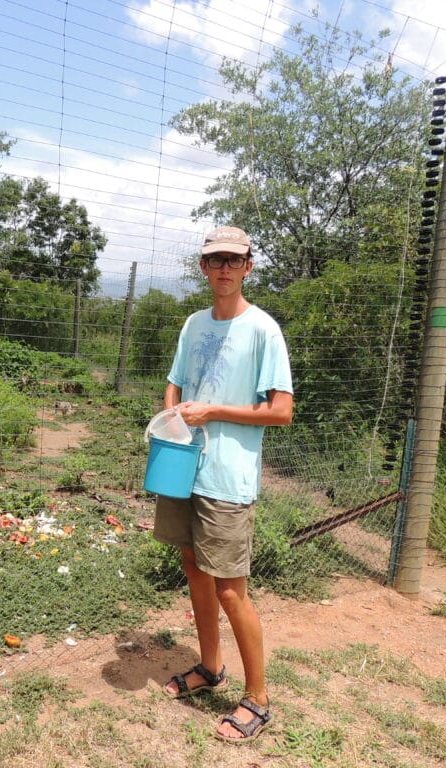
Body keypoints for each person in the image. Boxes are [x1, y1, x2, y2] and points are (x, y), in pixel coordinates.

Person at [154, 225, 293, 744]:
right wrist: (172, 418)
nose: (225, 269)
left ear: (249, 266)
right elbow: (176, 382)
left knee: (232, 588)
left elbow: (281, 411)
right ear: (204, 268)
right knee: (193, 566)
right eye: (216, 260)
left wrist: (213, 411)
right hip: (185, 466)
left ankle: (257, 699)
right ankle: (211, 668)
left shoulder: (263, 330)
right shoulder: (194, 324)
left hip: (228, 477)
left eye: (234, 260)